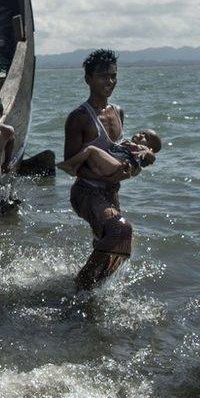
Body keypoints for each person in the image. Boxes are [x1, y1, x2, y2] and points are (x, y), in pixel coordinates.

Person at [63, 50, 139, 290]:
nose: (110, 82)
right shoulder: (79, 117)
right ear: (88, 79)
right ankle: (80, 287)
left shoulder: (118, 112)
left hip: (110, 193)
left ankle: (92, 290)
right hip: (86, 192)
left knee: (121, 245)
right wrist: (106, 174)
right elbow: (71, 167)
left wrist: (138, 159)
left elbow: (117, 150)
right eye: (103, 76)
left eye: (114, 76)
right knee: (120, 228)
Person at [58, 129, 160, 178]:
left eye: (145, 137)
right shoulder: (127, 144)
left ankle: (68, 165)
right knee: (90, 155)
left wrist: (147, 152)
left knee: (90, 149)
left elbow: (152, 157)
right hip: (110, 166)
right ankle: (76, 170)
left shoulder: (141, 149)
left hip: (117, 167)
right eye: (141, 132)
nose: (140, 135)